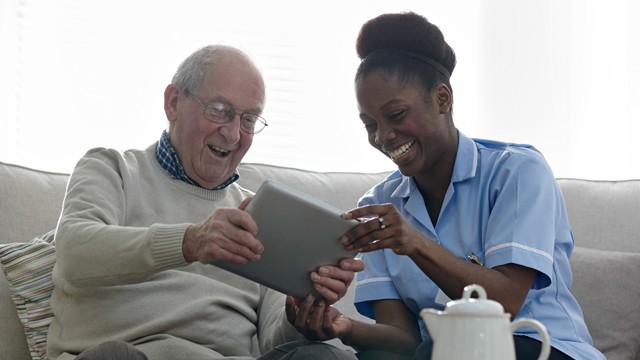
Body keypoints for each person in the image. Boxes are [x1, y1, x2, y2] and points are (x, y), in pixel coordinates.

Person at [293, 12, 605, 360]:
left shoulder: (517, 172)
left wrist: (415, 243)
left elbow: (504, 305)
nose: (383, 137)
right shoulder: (379, 205)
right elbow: (403, 340)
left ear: (442, 99)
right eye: (370, 125)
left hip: (544, 348)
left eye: (395, 115)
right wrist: (344, 328)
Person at [46, 44, 362, 360]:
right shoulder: (111, 169)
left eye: (249, 119)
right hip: (126, 355)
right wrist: (190, 242)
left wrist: (300, 316)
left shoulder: (259, 214)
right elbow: (75, 254)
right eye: (221, 110)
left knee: (324, 356)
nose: (234, 134)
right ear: (173, 103)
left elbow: (274, 342)